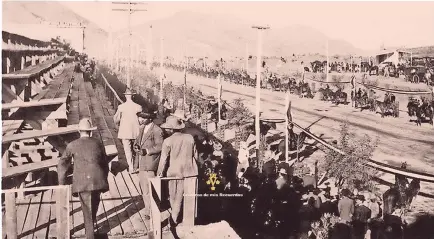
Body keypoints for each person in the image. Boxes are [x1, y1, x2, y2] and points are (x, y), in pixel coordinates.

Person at [57, 118, 109, 239]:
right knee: (93, 206)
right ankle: (90, 230)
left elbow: (63, 163)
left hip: (82, 182)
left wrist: (62, 181)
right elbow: (105, 162)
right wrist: (104, 177)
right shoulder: (98, 143)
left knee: (87, 209)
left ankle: (89, 235)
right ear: (90, 132)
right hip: (97, 181)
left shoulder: (72, 145)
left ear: (79, 131)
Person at [157, 116, 200, 228]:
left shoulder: (168, 141)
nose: (166, 130)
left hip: (174, 172)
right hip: (190, 172)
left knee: (174, 195)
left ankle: (173, 219)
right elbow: (195, 155)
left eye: (167, 128)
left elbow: (163, 159)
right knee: (188, 197)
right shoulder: (190, 138)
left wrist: (159, 173)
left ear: (171, 129)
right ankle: (184, 219)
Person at [133, 110, 164, 219]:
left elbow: (160, 147)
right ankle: (148, 210)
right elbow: (137, 141)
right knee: (144, 189)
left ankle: (151, 211)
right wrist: (136, 146)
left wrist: (146, 151)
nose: (140, 120)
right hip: (142, 163)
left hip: (150, 164)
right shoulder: (142, 128)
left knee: (150, 189)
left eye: (143, 118)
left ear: (150, 119)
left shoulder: (157, 130)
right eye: (139, 117)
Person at [113, 88, 142, 172]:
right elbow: (141, 120)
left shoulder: (121, 107)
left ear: (125, 96)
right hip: (136, 131)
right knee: (137, 148)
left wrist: (118, 124)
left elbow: (116, 119)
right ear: (133, 96)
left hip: (125, 131)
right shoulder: (138, 107)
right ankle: (137, 166)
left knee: (127, 149)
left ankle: (131, 167)